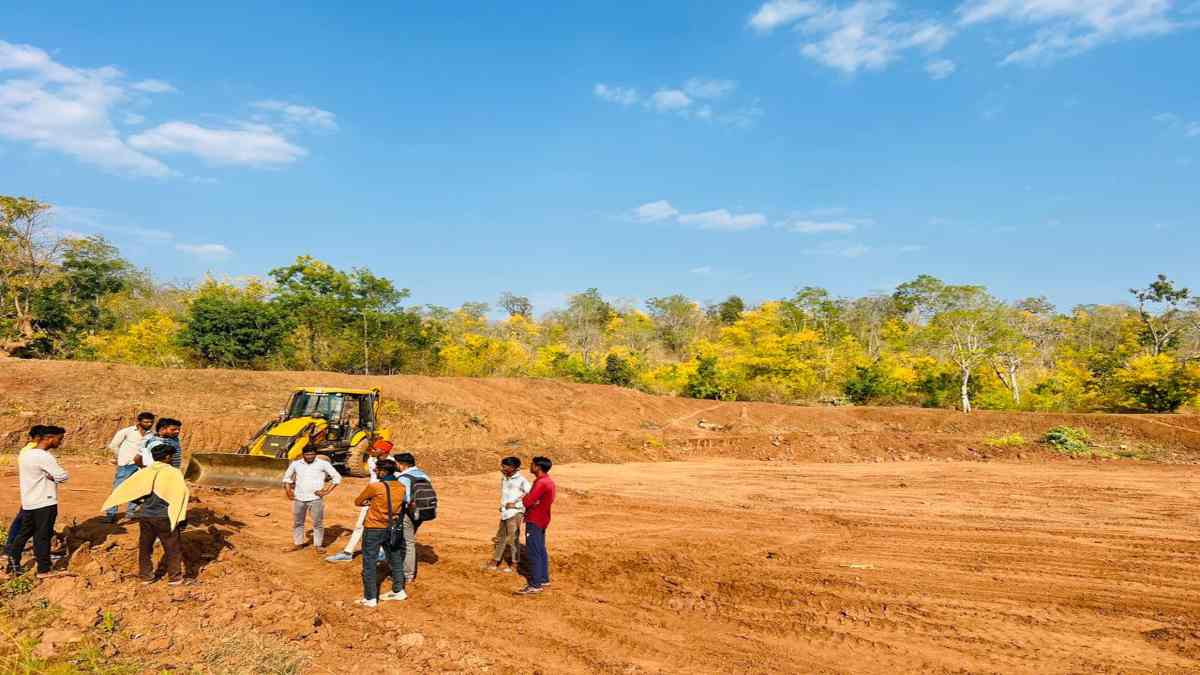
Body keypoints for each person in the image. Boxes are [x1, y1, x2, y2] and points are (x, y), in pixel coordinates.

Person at [102, 442, 191, 585]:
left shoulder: (145, 472)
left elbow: (132, 491)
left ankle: (146, 577)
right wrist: (181, 517)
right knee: (172, 548)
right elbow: (180, 495)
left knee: (145, 548)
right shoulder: (173, 473)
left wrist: (142, 503)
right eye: (172, 456)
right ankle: (175, 578)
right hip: (164, 516)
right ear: (167, 457)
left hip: (145, 516)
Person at [7, 426, 69, 578]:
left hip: (29, 501)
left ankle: (12, 564)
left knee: (23, 534)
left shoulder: (25, 454)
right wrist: (52, 477)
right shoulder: (44, 456)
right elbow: (62, 476)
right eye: (59, 439)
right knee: (42, 535)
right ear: (49, 438)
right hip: (44, 501)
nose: (60, 443)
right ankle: (44, 569)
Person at [327, 439, 393, 563]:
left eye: (375, 449)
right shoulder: (372, 459)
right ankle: (348, 552)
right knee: (360, 525)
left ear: (383, 451)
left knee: (384, 526)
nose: (372, 450)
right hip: (370, 496)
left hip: (383, 499)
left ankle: (383, 553)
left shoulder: (392, 463)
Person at [353, 458, 407, 607]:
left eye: (377, 470)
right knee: (395, 559)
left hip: (374, 527)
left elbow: (358, 501)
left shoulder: (375, 487)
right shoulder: (401, 487)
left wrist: (370, 502)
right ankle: (398, 590)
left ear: (383, 471)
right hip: (393, 527)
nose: (375, 472)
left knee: (369, 562)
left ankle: (370, 598)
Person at [282, 448, 341, 552]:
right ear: (303, 454)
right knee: (298, 523)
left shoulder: (323, 464)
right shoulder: (296, 464)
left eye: (312, 454)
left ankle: (318, 545)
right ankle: (298, 543)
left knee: (317, 523)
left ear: (315, 454)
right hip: (299, 498)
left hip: (316, 499)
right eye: (307, 454)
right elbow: (287, 478)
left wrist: (326, 491)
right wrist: (288, 491)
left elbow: (337, 477)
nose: (310, 456)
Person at [104, 412, 155, 523]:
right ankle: (110, 514)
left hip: (142, 466)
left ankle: (131, 513)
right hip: (126, 465)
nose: (149, 424)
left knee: (136, 490)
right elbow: (113, 445)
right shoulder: (127, 431)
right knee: (118, 489)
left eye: (151, 422)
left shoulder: (152, 435)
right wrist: (121, 457)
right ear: (139, 421)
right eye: (146, 422)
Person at [516, 456, 556, 595]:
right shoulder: (548, 481)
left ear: (538, 467)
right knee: (540, 549)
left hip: (535, 519)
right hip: (543, 519)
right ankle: (543, 578)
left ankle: (534, 584)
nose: (530, 466)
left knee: (533, 551)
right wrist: (532, 500)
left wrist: (527, 498)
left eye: (532, 464)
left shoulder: (541, 483)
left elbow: (527, 502)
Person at [5, 426, 46, 559]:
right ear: (40, 438)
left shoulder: (26, 449)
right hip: (35, 494)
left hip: (31, 492)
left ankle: (10, 549)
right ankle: (11, 552)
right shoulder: (34, 451)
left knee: (23, 521)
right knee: (25, 523)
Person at [488, 456, 530, 574]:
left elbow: (529, 493)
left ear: (512, 467)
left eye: (505, 466)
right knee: (500, 538)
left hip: (515, 513)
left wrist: (516, 504)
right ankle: (495, 561)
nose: (502, 468)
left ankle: (514, 564)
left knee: (513, 539)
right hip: (505, 512)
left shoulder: (521, 480)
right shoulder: (504, 479)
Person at [394, 452, 429, 584]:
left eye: (397, 463)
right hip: (423, 512)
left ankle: (408, 574)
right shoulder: (423, 474)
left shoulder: (404, 478)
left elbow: (406, 499)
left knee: (408, 543)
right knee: (407, 539)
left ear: (402, 464)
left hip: (409, 513)